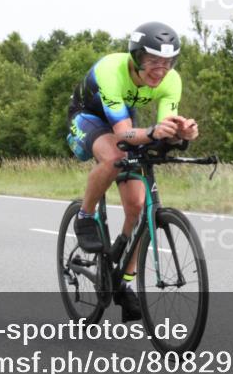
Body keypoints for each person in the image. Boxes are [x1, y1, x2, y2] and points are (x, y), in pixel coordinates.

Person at [66, 21, 199, 321]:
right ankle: (85, 216)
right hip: (88, 116)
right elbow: (125, 134)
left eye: (167, 62)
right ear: (137, 57)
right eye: (153, 61)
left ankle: (123, 281)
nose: (160, 70)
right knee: (114, 156)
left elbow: (162, 132)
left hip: (125, 118)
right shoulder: (111, 71)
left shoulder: (171, 81)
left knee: (139, 207)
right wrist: (153, 132)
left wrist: (182, 133)